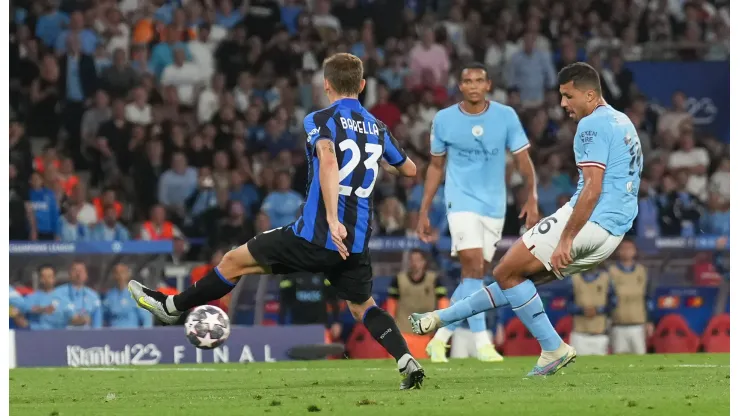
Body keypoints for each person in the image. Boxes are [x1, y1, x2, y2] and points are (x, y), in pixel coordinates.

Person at [129, 53, 424, 390]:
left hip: (315, 235)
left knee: (233, 261)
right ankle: (406, 360)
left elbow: (328, 160)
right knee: (362, 305)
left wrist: (330, 216)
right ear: (362, 85)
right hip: (355, 241)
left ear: (326, 85)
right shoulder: (377, 127)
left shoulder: (320, 119)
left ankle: (171, 307)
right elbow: (410, 169)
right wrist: (378, 161)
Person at [410, 62, 643, 376]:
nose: (563, 104)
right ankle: (441, 319)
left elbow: (592, 186)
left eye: (568, 96)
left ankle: (553, 348)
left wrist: (566, 239)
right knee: (515, 279)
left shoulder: (592, 125)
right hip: (612, 234)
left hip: (590, 222)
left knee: (506, 269)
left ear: (589, 95)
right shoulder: (623, 121)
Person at [418, 62, 539, 363]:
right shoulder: (444, 119)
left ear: (488, 85)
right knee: (472, 265)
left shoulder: (506, 116)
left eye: (479, 81)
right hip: (460, 201)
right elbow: (435, 167)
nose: (473, 86)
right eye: (467, 81)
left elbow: (523, 160)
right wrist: (423, 210)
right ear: (460, 86)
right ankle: (483, 343)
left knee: (475, 276)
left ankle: (440, 337)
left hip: (494, 205)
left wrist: (532, 196)